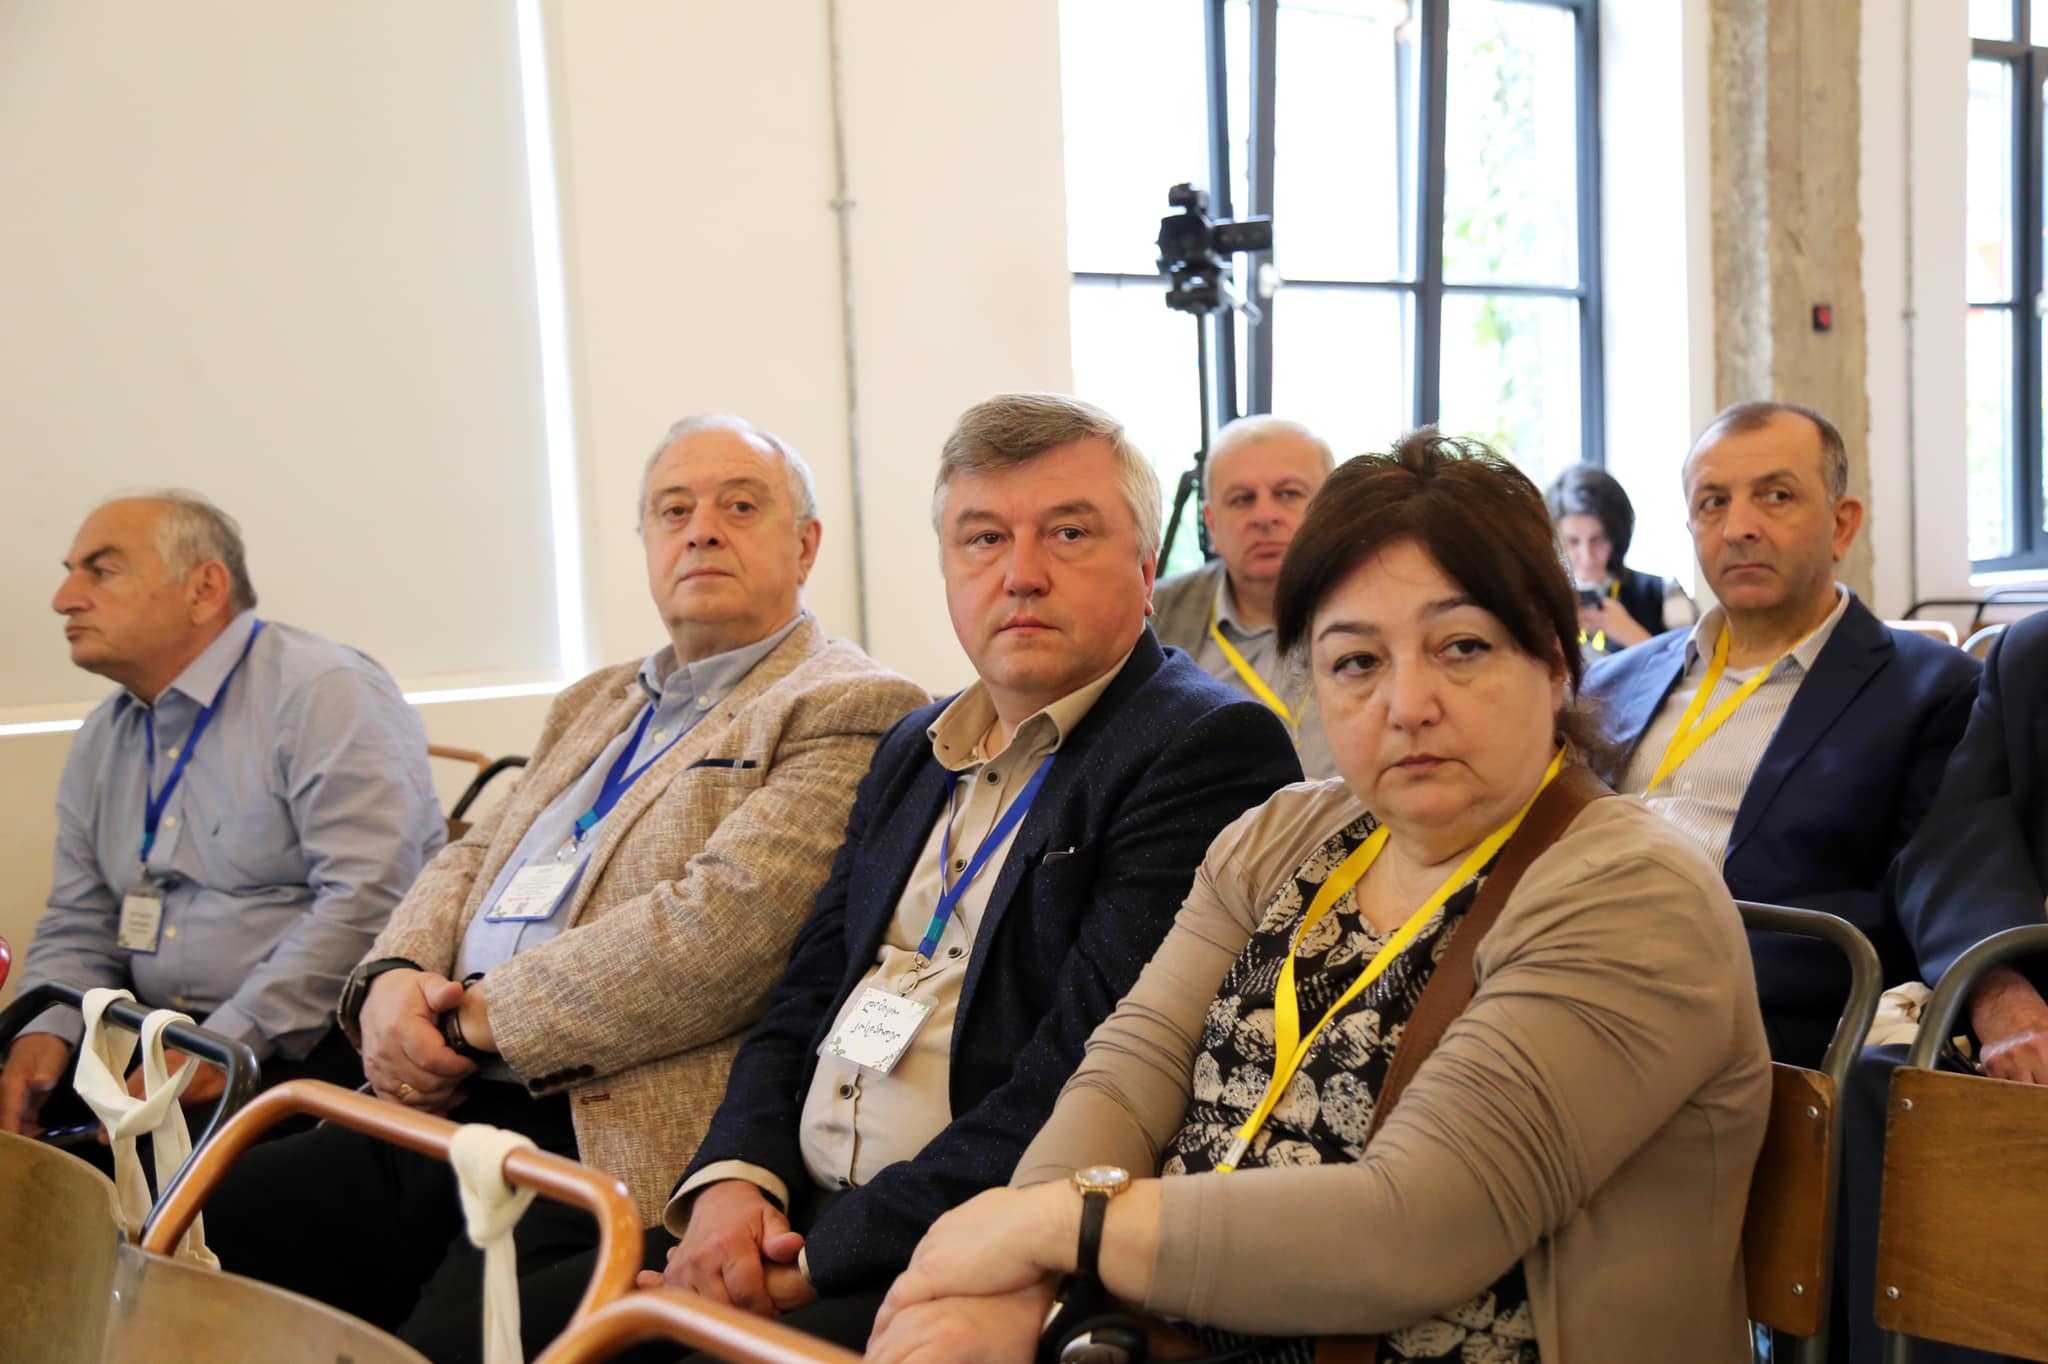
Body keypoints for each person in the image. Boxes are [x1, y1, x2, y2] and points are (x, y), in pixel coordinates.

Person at [867, 430, 1771, 1364]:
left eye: (1462, 647)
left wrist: (1050, 1231)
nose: (1407, 704)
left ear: (1552, 658)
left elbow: (1416, 1228)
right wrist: (1024, 1288)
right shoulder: (1284, 836)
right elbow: (1128, 1075)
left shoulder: (1633, 895)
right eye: (1356, 662)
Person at [496, 392, 1301, 1358]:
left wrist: (820, 1258)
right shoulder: (915, 746)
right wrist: (734, 1179)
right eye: (984, 538)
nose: (1021, 574)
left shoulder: (1202, 746)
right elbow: (804, 995)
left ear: (1143, 568)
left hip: (974, 1246)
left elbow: (1082, 1072)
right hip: (793, 1211)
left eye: (1068, 533)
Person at [200, 415, 928, 1358]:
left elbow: (723, 934)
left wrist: (467, 1022)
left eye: (740, 506)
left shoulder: (848, 702)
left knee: (443, 1345)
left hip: (604, 1128)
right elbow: (471, 857)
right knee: (208, 1229)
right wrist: (391, 979)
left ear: (806, 543)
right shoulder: (595, 699)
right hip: (449, 1096)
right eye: (674, 510)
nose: (702, 530)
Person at [2, 491, 442, 1135]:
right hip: (156, 1029)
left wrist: (227, 1042)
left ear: (204, 589)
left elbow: (370, 901)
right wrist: (44, 1031)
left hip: (309, 1037)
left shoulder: (324, 693)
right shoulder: (104, 734)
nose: (64, 599)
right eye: (71, 572)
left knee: (153, 1182)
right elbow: (81, 915)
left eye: (101, 570)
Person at [1582, 401, 1983, 1068]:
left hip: (1743, 1016)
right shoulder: (1610, 683)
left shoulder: (1931, 692)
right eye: (1713, 502)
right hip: (1561, 970)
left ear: (1841, 525)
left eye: (1776, 496)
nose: (1739, 527)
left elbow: (1917, 908)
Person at [1839, 611, 2048, 1364]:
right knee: (1894, 1090)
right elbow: (1949, 845)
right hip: (2036, 1010)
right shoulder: (2032, 655)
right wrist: (2001, 995)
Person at [1151, 415, 1339, 779]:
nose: (1264, 516)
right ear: (1211, 523)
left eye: (1288, 494)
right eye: (1242, 499)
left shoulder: (1385, 608)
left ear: (1331, 508)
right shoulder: (1151, 621)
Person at [1544, 461, 1697, 656]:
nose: (1587, 556)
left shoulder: (1664, 592)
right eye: (1573, 542)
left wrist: (1630, 634)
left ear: (1617, 536)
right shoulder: (1542, 601)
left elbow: (1694, 669)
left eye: (1598, 539)